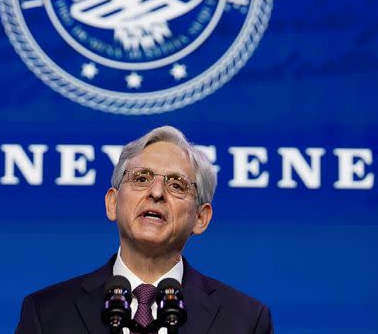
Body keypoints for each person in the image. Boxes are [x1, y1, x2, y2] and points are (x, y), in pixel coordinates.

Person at [14, 125, 273, 333]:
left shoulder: (245, 321)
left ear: (201, 218)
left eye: (177, 185)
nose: (157, 192)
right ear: (112, 203)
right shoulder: (46, 315)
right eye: (141, 179)